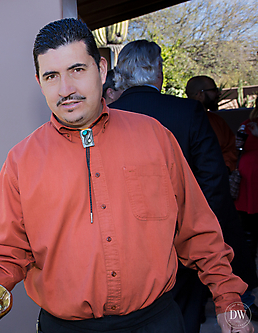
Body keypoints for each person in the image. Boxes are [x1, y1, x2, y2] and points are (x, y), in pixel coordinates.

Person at [0, 18, 252, 333]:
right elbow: (5, 251)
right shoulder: (21, 160)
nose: (66, 89)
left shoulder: (155, 137)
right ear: (39, 82)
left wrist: (229, 300)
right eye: (52, 76)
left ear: (101, 69)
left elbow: (198, 230)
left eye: (77, 70)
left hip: (157, 323)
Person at [109, 40, 258, 332]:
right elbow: (213, 180)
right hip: (184, 235)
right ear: (158, 73)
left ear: (122, 74)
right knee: (187, 313)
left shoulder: (108, 116)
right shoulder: (188, 111)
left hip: (127, 240)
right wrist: (211, 235)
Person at [186, 75, 238, 172]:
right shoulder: (182, 121)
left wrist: (225, 167)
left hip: (217, 178)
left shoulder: (217, 121)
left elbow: (230, 148)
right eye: (214, 90)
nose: (218, 93)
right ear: (200, 94)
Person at [235, 104, 258, 264]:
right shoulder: (247, 124)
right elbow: (238, 145)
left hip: (250, 173)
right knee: (249, 225)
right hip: (249, 176)